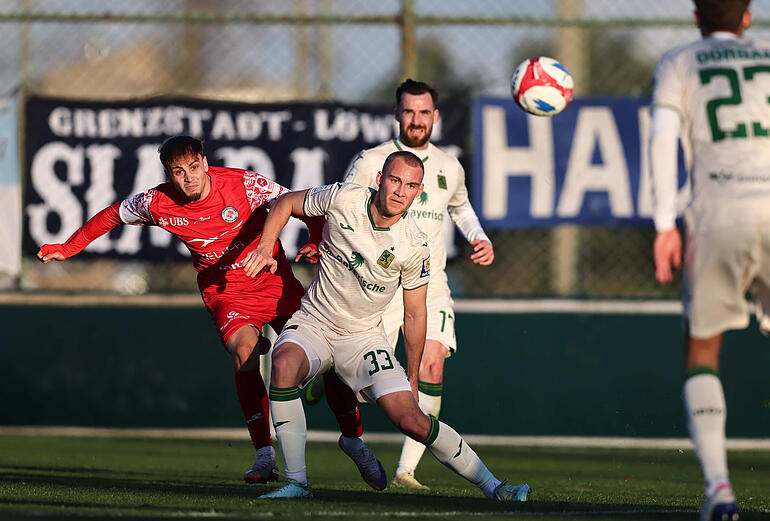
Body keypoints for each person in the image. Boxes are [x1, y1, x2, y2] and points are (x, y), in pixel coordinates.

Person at [37, 135, 326, 485]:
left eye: (193, 167)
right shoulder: (157, 202)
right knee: (244, 353)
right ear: (169, 175)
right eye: (179, 172)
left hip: (273, 282)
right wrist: (69, 247)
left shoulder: (245, 184)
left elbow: (303, 205)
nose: (189, 177)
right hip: (226, 292)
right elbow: (113, 215)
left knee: (319, 355)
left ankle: (352, 437)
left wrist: (315, 241)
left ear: (204, 163)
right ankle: (264, 454)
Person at [242, 151, 529, 501]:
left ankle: (495, 488)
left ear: (418, 191)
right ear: (379, 179)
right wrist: (265, 247)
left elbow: (415, 314)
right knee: (284, 363)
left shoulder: (414, 244)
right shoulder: (343, 197)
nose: (400, 191)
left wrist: (412, 377)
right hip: (315, 322)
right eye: (394, 180)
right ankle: (298, 483)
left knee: (411, 420)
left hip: (363, 338)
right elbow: (286, 202)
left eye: (410, 185)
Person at [650, 1, 770, 520]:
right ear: (748, 17)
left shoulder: (678, 63)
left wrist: (664, 223)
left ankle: (720, 491)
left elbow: (662, 140)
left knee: (702, 349)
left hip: (718, 214)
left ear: (697, 17)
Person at [338, 78, 493, 490]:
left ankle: (407, 470)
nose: (417, 120)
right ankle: (339, 399)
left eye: (424, 112)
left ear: (435, 116)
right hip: (377, 284)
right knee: (361, 382)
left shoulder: (449, 166)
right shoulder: (371, 161)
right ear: (397, 114)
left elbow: (461, 207)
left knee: (431, 364)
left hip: (429, 283)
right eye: (409, 111)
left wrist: (479, 237)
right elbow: (341, 208)